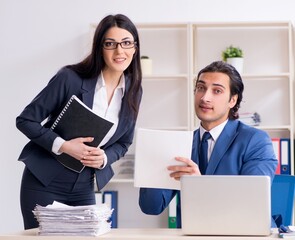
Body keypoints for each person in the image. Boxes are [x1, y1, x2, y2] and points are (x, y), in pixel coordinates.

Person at [16, 14, 142, 229]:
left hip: (84, 185)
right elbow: (26, 120)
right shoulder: (70, 78)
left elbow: (124, 143)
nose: (119, 51)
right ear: (99, 47)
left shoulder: (133, 90)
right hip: (44, 182)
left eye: (126, 43)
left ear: (135, 48)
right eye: (110, 44)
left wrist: (104, 157)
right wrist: (64, 146)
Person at [139, 61, 277, 228]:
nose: (205, 97)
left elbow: (251, 202)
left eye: (217, 91)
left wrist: (199, 184)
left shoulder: (256, 141)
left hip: (244, 234)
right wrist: (150, 161)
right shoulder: (181, 143)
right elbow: (151, 207)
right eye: (201, 88)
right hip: (195, 233)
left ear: (232, 100)